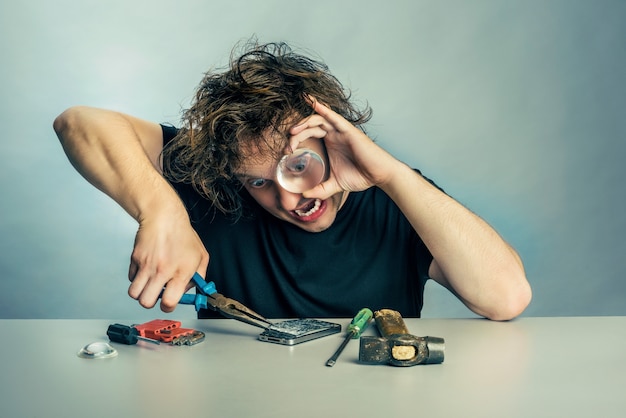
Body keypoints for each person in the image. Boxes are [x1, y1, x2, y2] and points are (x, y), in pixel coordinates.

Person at [53, 41, 531, 321]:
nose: (287, 198)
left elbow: (506, 298)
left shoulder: (397, 197)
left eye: (297, 167)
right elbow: (78, 122)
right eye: (257, 183)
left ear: (334, 140)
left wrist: (388, 173)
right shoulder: (215, 175)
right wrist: (161, 210)